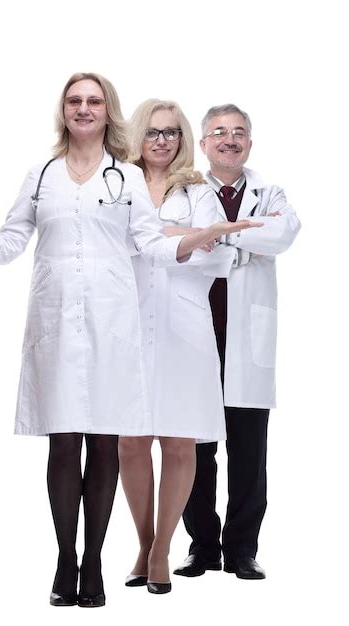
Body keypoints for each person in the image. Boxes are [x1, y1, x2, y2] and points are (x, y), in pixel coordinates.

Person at [0, 78, 259, 607]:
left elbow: (152, 246)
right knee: (63, 442)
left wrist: (207, 234)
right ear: (62, 111)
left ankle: (94, 564)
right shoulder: (41, 175)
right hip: (57, 321)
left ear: (107, 111)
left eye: (93, 100)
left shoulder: (127, 177)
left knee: (107, 442)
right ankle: (66, 558)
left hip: (113, 322)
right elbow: (11, 242)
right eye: (74, 101)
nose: (83, 109)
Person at [118, 99, 253, 595]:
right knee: (130, 440)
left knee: (179, 441)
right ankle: (142, 540)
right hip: (128, 324)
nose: (162, 140)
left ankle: (161, 551)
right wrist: (185, 237)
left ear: (182, 139)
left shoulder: (197, 190)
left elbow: (217, 257)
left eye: (172, 132)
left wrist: (168, 239)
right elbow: (115, 247)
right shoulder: (119, 184)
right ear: (137, 136)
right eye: (152, 132)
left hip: (185, 326)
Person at [173, 103, 301, 580]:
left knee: (249, 448)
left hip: (246, 335)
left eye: (239, 132)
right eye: (219, 132)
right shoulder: (185, 191)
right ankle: (202, 546)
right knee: (195, 447)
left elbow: (283, 233)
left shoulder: (272, 192)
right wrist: (241, 238)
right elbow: (175, 238)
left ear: (249, 142)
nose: (230, 139)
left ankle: (242, 549)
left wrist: (216, 238)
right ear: (204, 143)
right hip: (196, 332)